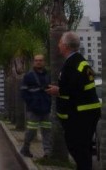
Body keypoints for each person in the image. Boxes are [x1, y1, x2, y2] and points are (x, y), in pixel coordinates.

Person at [46, 32, 101, 170]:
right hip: (85, 113)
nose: (58, 45)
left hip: (80, 115)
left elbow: (72, 88)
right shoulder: (79, 61)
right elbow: (77, 86)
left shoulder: (73, 64)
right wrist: (60, 89)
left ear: (65, 46)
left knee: (78, 149)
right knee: (83, 150)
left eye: (60, 43)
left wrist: (58, 91)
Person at [20, 54, 52, 158]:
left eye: (41, 60)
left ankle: (47, 152)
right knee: (31, 131)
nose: (38, 62)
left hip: (46, 108)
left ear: (44, 62)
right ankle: (25, 148)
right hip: (33, 109)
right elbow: (23, 92)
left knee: (46, 130)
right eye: (36, 60)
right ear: (34, 62)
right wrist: (31, 103)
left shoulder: (48, 75)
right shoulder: (28, 76)